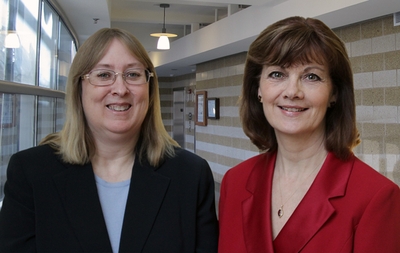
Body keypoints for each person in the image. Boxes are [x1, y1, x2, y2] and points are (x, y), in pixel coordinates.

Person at [0, 28, 218, 252]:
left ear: (149, 87)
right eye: (104, 75)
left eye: (133, 74)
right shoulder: (31, 173)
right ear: (79, 87)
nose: (120, 89)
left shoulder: (191, 175)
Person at [218, 16, 400, 253]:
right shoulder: (235, 182)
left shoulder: (376, 198)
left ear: (334, 93)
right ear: (258, 89)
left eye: (311, 76)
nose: (292, 91)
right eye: (277, 74)